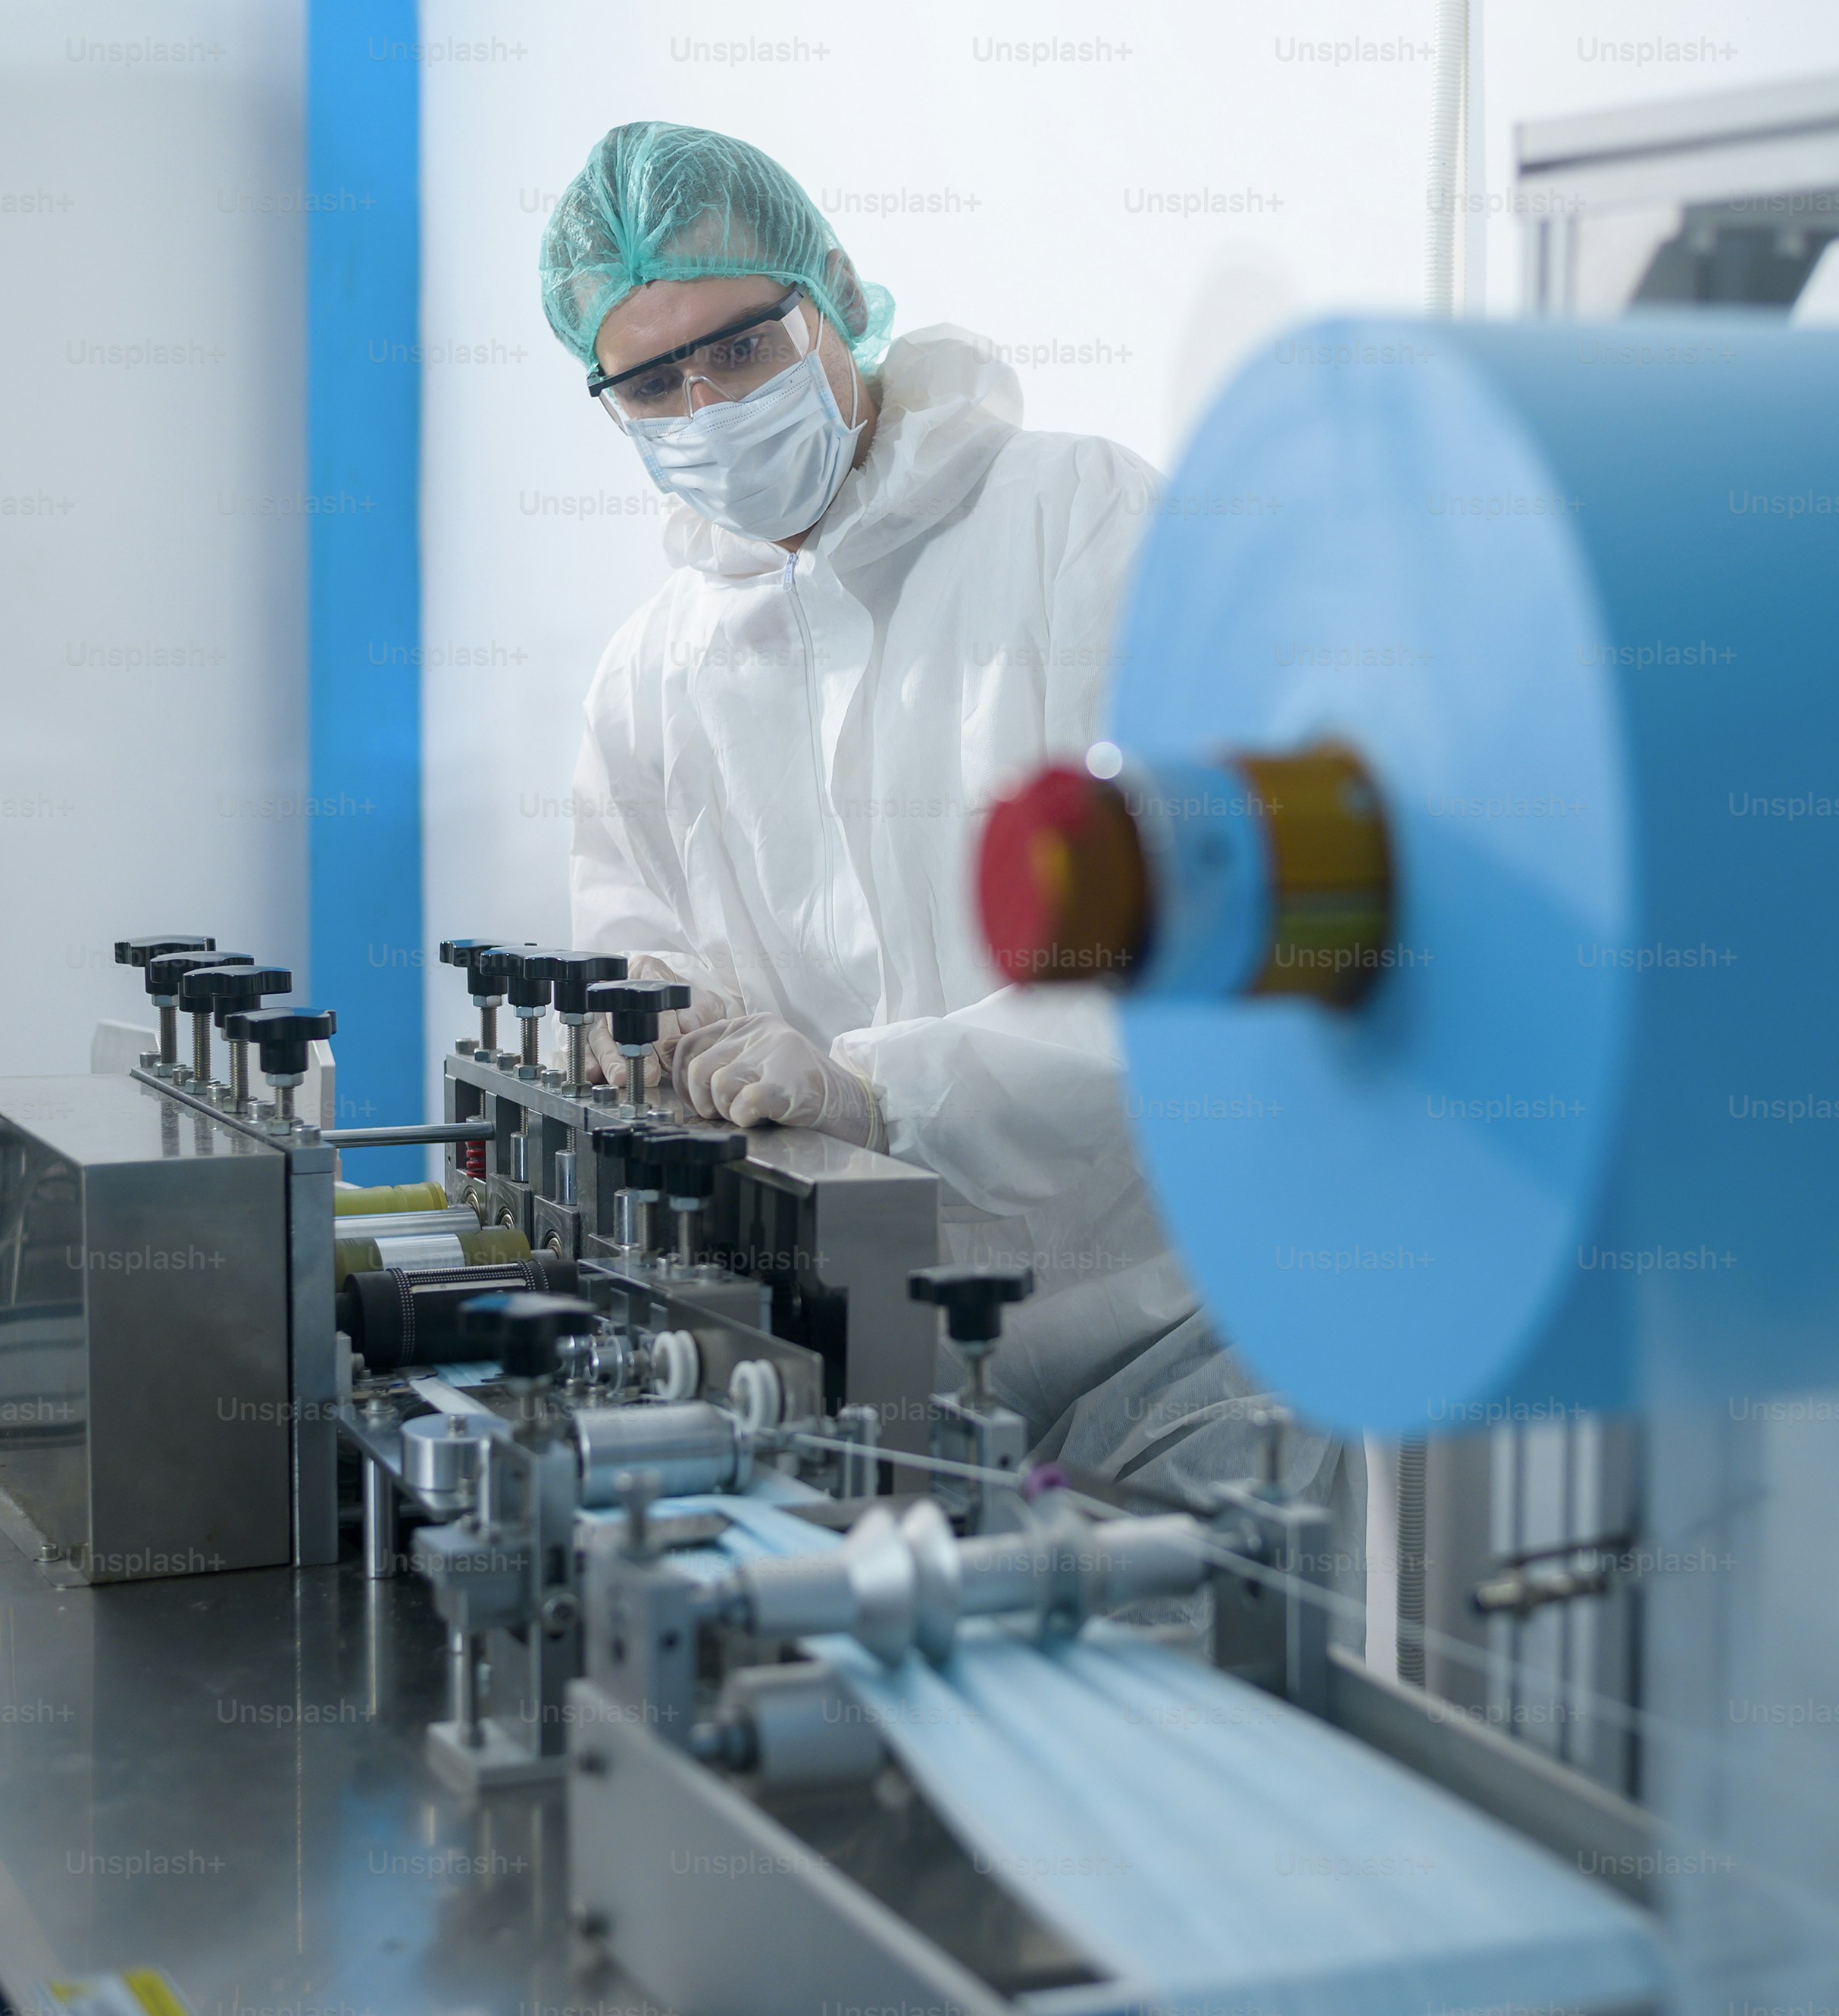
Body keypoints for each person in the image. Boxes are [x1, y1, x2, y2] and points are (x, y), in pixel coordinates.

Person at [540, 123, 1351, 1527]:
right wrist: (656, 1032)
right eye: (653, 383)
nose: (707, 408)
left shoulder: (1079, 524)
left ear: (833, 294)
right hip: (859, 1375)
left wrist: (879, 1092)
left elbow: (1207, 959)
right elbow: (637, 955)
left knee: (1185, 1709)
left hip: (1173, 1339)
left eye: (739, 350)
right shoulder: (649, 676)